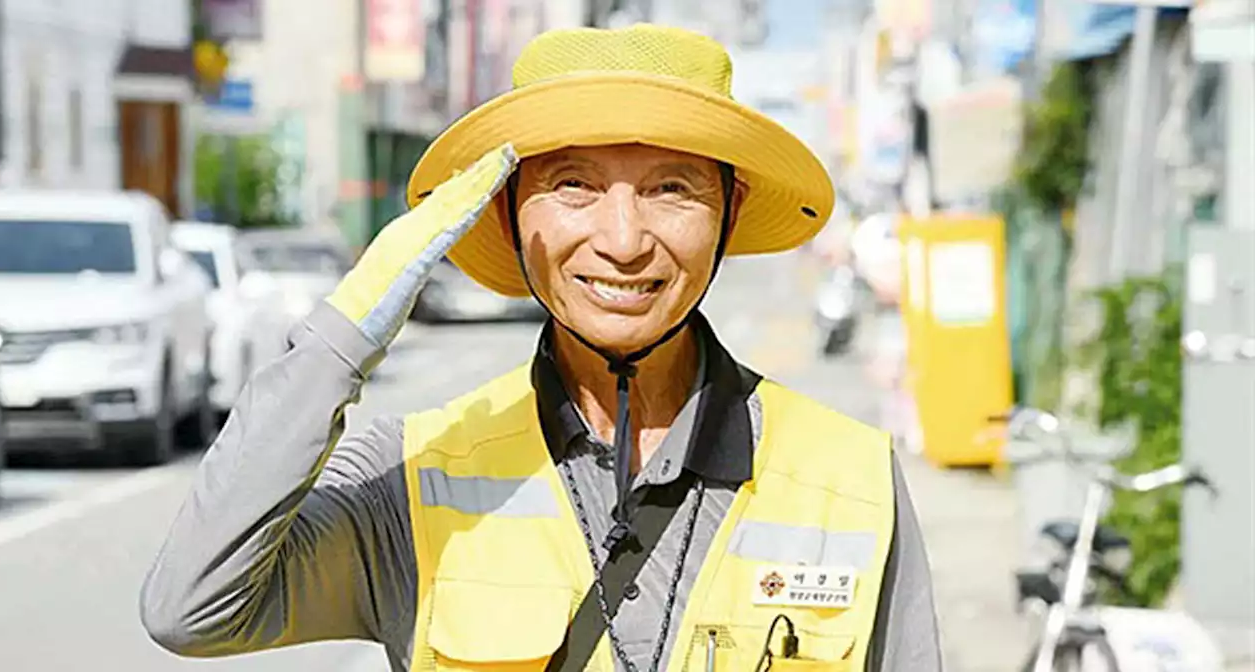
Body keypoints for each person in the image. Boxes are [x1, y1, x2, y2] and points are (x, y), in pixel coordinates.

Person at [140, 24, 941, 672]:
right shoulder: (413, 476)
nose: (624, 242)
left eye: (671, 189)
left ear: (729, 211)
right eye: (572, 187)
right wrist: (346, 328)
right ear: (506, 212)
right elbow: (192, 609)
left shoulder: (852, 477)